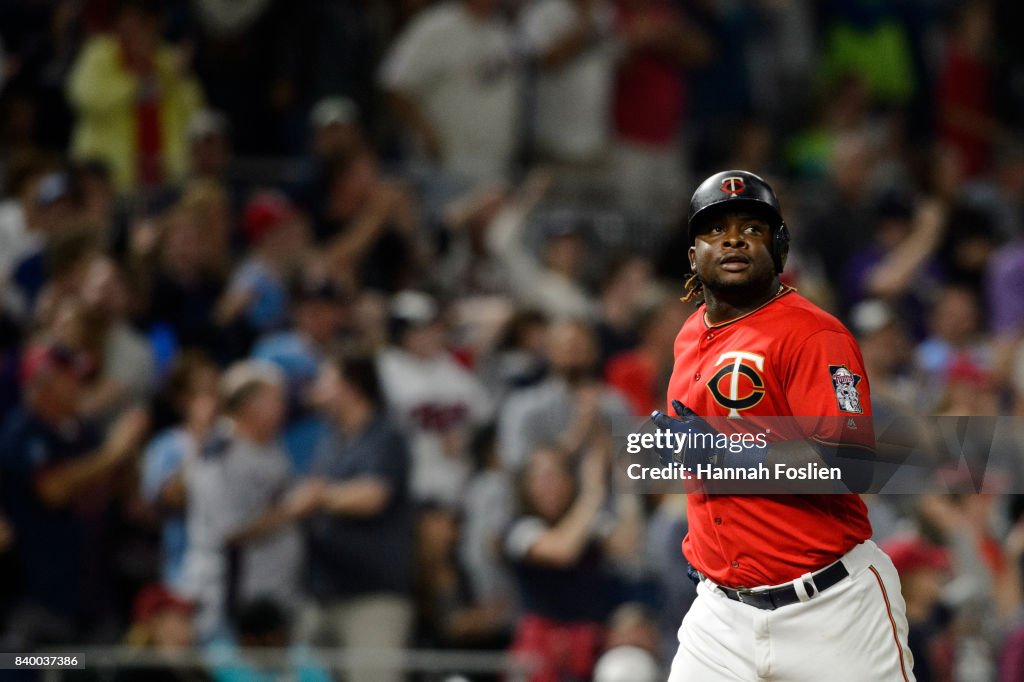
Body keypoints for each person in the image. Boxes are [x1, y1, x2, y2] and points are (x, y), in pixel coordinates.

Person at [654, 170, 914, 680]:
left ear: (779, 247)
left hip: (833, 607)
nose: (733, 238)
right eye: (715, 229)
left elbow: (852, 463)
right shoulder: (688, 335)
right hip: (721, 617)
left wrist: (727, 458)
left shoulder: (813, 334)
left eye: (752, 228)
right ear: (692, 257)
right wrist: (718, 548)